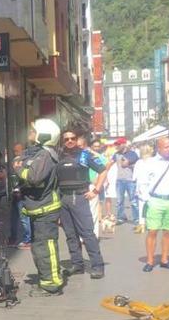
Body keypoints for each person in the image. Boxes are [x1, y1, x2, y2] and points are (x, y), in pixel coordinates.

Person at [15, 119, 65, 296]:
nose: (30, 133)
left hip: (46, 210)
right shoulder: (40, 154)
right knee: (39, 247)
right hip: (39, 209)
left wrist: (19, 169)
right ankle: (46, 278)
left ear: (43, 136)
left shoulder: (45, 155)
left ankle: (52, 285)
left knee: (46, 248)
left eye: (33, 131)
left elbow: (33, 176)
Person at [57, 128, 109, 279]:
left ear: (77, 139)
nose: (70, 141)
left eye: (72, 138)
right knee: (70, 234)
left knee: (87, 233)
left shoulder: (85, 155)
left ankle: (97, 266)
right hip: (63, 199)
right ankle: (77, 264)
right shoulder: (59, 156)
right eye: (66, 139)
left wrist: (96, 190)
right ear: (62, 141)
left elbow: (103, 170)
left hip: (79, 197)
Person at [136, 137, 169, 272]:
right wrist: (147, 199)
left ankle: (164, 259)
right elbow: (142, 182)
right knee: (152, 231)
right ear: (158, 148)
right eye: (166, 147)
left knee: (168, 232)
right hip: (155, 200)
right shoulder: (150, 163)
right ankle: (150, 261)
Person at [9, 143, 32, 249]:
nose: (16, 153)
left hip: (21, 194)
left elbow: (25, 178)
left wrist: (20, 189)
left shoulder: (24, 162)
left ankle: (28, 240)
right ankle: (13, 238)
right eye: (14, 151)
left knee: (23, 218)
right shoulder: (16, 161)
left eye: (17, 151)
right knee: (14, 217)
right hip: (15, 193)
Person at [114, 138, 140, 224]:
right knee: (119, 201)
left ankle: (136, 218)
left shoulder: (132, 154)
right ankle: (121, 217)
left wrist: (128, 162)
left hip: (130, 180)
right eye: (116, 144)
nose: (117, 146)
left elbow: (125, 164)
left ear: (124, 144)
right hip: (119, 180)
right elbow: (109, 163)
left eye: (119, 144)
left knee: (133, 201)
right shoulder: (116, 154)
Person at [131, 144, 155, 234]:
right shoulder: (154, 161)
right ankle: (152, 223)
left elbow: (134, 177)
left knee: (142, 206)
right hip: (152, 186)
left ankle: (142, 225)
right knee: (152, 205)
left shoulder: (139, 162)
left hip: (141, 186)